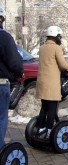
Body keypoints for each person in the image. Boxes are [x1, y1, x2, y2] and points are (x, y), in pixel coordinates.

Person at [36, 26, 68, 138]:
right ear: (56, 36)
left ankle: (40, 128)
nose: (60, 39)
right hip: (51, 84)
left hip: (42, 83)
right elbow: (62, 65)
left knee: (44, 107)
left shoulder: (42, 48)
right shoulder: (56, 48)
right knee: (52, 108)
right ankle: (48, 131)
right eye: (60, 37)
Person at [0, 6, 24, 148]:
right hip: (1, 85)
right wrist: (19, 73)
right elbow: (15, 63)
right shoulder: (4, 37)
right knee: (1, 118)